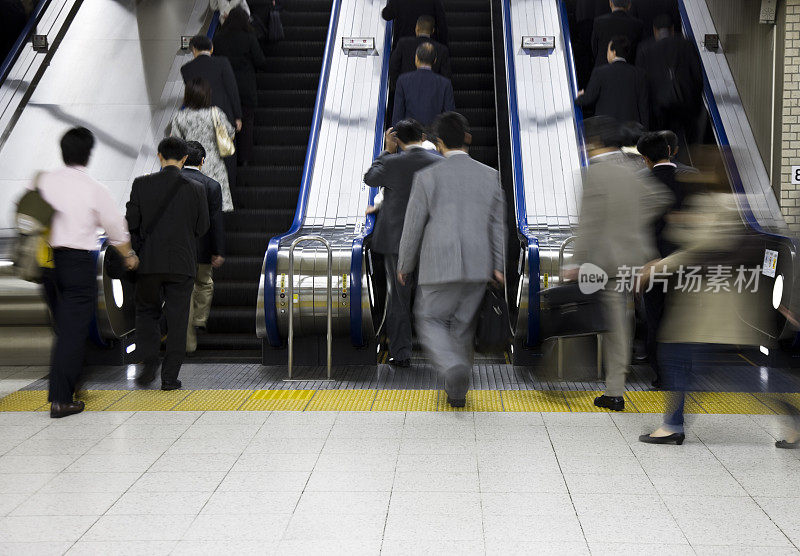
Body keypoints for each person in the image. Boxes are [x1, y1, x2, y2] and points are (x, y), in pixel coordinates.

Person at [638, 186, 762, 444]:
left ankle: (672, 425)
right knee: (684, 361)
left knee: (675, 358)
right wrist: (685, 223)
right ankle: (673, 423)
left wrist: (660, 265)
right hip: (711, 308)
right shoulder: (729, 204)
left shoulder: (724, 204)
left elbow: (703, 248)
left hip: (711, 309)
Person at [398, 112, 506, 407]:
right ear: (467, 139)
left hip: (438, 265)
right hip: (477, 265)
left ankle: (450, 366)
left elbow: (413, 225)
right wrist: (498, 265)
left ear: (439, 142)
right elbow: (498, 224)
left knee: (430, 318)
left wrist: (404, 264)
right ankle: (457, 393)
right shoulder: (490, 175)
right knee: (462, 327)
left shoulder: (427, 177)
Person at [567, 116, 672, 411]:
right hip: (634, 260)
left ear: (595, 142)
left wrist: (575, 262)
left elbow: (589, 221)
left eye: (587, 143)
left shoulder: (595, 173)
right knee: (621, 324)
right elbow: (660, 198)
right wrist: (633, 228)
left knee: (611, 324)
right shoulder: (634, 168)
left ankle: (613, 391)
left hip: (606, 262)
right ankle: (614, 385)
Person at [37, 128, 137, 417]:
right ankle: (61, 399)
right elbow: (117, 230)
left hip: (47, 264)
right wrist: (129, 257)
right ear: (88, 153)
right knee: (72, 331)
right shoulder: (93, 188)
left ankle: (74, 383)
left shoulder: (45, 183)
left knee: (64, 328)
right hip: (77, 264)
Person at [126, 137, 209, 390]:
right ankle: (170, 377)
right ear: (185, 159)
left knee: (146, 313)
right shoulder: (196, 189)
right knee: (177, 319)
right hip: (182, 263)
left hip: (148, 263)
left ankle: (149, 364)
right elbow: (202, 226)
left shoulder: (141, 185)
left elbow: (131, 224)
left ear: (160, 156)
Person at [364, 119, 441, 367]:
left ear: (398, 139)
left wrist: (387, 150)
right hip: (430, 241)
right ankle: (440, 352)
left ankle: (401, 353)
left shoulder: (392, 163)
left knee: (398, 299)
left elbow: (370, 178)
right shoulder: (439, 163)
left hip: (396, 243)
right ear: (422, 136)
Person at [637, 132, 685, 388]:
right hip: (685, 262)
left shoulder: (641, 184)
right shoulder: (689, 181)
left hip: (651, 264)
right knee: (681, 317)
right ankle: (682, 371)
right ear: (670, 150)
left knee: (655, 317)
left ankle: (660, 374)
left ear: (645, 158)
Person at [181, 141, 225, 354]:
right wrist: (218, 251)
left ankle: (187, 344)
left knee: (183, 293)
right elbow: (216, 222)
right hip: (202, 249)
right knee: (205, 283)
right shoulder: (212, 185)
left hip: (176, 251)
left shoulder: (171, 182)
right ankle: (199, 318)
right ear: (203, 161)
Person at [181, 35, 242, 186]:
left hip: (197, 120)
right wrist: (237, 116)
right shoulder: (222, 63)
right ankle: (229, 196)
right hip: (222, 118)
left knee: (202, 157)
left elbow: (191, 96)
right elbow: (232, 89)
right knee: (227, 155)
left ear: (193, 49)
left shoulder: (186, 69)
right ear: (211, 48)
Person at [213, 6, 269, 167]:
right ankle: (244, 159)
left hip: (224, 88)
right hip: (246, 87)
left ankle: (229, 158)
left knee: (226, 122)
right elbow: (260, 60)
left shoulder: (218, 39)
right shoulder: (249, 37)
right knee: (247, 122)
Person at [171, 78, 235, 212]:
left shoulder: (180, 117)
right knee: (216, 214)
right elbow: (230, 133)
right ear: (207, 94)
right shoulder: (215, 113)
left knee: (194, 213)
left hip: (191, 170)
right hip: (215, 167)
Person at [636, 15, 703, 144]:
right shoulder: (687, 44)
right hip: (686, 103)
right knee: (686, 141)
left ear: (655, 30)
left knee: (663, 141)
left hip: (659, 106)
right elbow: (697, 76)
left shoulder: (644, 49)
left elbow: (641, 81)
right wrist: (696, 100)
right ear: (672, 29)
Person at [577, 36, 649, 128]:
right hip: (631, 131)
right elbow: (643, 107)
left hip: (606, 130)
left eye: (608, 50)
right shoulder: (639, 74)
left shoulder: (600, 72)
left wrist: (580, 97)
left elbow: (588, 99)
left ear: (613, 52)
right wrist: (645, 131)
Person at [392, 42, 455, 127]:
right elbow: (450, 116)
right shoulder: (445, 83)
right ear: (435, 60)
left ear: (416, 58)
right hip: (434, 136)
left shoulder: (402, 80)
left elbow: (398, 113)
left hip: (410, 135)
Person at [389, 15, 451, 84]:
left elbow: (393, 65)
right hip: (431, 91)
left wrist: (398, 85)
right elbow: (446, 75)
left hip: (407, 88)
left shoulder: (403, 43)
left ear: (416, 28)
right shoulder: (442, 49)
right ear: (433, 31)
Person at [591, 0, 643, 68]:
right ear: (629, 5)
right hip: (628, 69)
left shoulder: (599, 22)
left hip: (602, 68)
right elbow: (639, 50)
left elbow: (594, 47)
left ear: (610, 3)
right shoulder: (637, 25)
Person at [382, 0, 448, 46]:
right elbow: (442, 24)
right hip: (427, 48)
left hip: (403, 46)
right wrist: (443, 48)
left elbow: (386, 15)